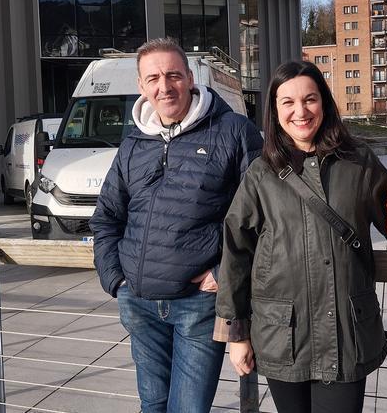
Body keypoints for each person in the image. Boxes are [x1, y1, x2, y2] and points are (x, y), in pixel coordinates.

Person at [90, 38, 262, 413]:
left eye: (172, 75)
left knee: (188, 409)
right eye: (153, 78)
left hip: (199, 305)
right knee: (152, 405)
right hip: (139, 303)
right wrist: (117, 281)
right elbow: (106, 218)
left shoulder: (233, 132)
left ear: (190, 77)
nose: (163, 87)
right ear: (140, 85)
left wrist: (222, 273)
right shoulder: (134, 143)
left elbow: (262, 217)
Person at [214, 61, 387, 413]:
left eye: (309, 99)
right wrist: (236, 333)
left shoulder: (358, 162)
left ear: (324, 102)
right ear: (274, 110)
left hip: (345, 332)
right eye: (288, 102)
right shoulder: (261, 174)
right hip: (284, 334)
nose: (300, 111)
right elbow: (236, 252)